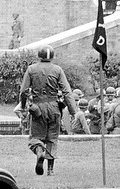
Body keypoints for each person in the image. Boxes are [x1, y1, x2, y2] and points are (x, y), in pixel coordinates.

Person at [19, 46, 78, 176]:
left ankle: (39, 151)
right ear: (52, 56)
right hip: (54, 106)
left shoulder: (31, 69)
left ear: (39, 56)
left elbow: (23, 91)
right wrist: (73, 111)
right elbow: (67, 91)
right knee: (52, 138)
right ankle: (50, 171)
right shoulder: (57, 70)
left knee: (36, 137)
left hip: (37, 107)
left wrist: (23, 107)